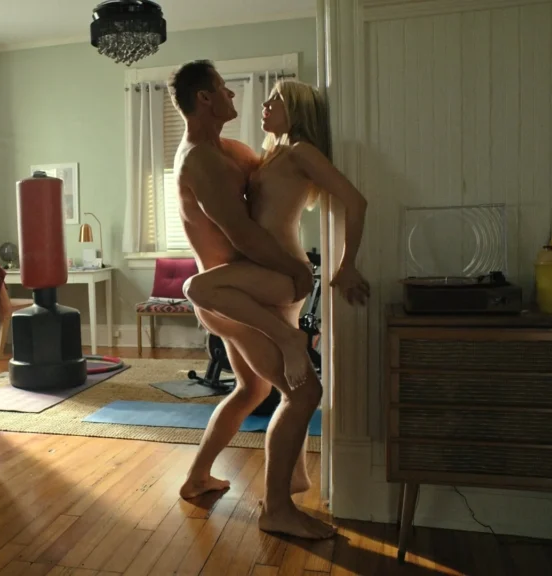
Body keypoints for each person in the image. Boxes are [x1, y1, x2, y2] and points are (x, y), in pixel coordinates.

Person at [168, 60, 369, 540]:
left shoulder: (239, 152)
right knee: (304, 392)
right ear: (205, 98)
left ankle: (198, 477)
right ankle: (277, 508)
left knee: (252, 389)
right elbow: (242, 232)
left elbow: (280, 191)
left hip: (248, 291)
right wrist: (297, 270)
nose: (236, 96)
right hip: (234, 297)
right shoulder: (202, 160)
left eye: (274, 98)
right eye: (225, 89)